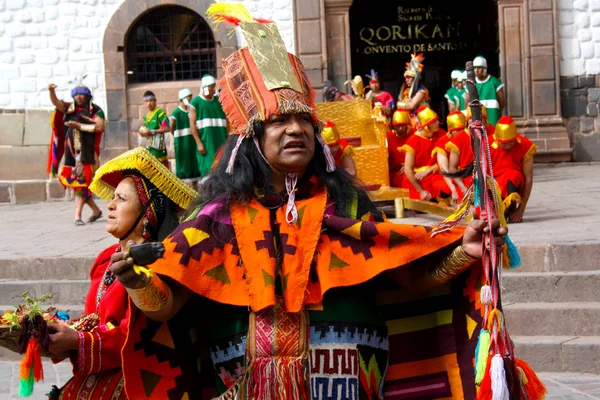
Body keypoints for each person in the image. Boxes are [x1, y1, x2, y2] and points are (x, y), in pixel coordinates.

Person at [110, 5, 512, 399]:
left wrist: (463, 251)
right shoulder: (213, 218)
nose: (295, 130)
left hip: (349, 381)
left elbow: (410, 275)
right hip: (242, 384)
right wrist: (135, 282)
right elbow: (168, 304)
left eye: (304, 121)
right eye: (279, 122)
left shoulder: (346, 206)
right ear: (250, 138)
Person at [46, 147, 198, 400]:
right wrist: (58, 334)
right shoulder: (106, 257)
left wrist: (77, 341)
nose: (111, 205)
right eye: (112, 197)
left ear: (147, 214)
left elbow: (139, 335)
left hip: (141, 380)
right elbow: (93, 319)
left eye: (122, 199)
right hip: (98, 374)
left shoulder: (161, 265)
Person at [48, 82, 104, 226]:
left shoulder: (96, 110)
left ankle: (77, 216)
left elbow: (99, 126)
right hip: (72, 151)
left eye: (81, 94)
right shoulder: (69, 108)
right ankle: (96, 211)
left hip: (87, 152)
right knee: (79, 184)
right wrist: (51, 91)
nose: (78, 97)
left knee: (81, 182)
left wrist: (78, 126)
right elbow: (56, 102)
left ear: (87, 96)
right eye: (76, 95)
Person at [490, 116, 537, 223]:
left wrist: (521, 210)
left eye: (511, 142)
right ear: (497, 139)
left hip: (513, 182)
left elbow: (528, 178)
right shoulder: (487, 144)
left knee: (513, 176)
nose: (508, 146)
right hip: (493, 184)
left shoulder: (525, 145)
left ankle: (512, 208)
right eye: (504, 143)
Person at [400, 106, 451, 201]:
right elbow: (408, 169)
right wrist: (420, 191)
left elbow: (448, 157)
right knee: (423, 196)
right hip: (418, 178)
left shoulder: (441, 134)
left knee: (445, 187)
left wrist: (428, 170)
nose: (438, 123)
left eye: (437, 120)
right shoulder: (413, 141)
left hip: (436, 173)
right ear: (427, 125)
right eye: (434, 122)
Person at [189, 74, 228, 177]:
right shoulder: (195, 103)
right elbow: (192, 125)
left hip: (221, 139)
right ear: (205, 88)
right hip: (206, 142)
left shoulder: (219, 101)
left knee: (222, 167)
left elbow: (226, 121)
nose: (213, 89)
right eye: (211, 87)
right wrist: (198, 143)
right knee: (208, 170)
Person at [170, 88, 201, 187]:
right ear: (184, 99)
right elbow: (171, 127)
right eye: (189, 98)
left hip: (192, 141)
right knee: (183, 165)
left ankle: (195, 188)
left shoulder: (191, 111)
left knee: (194, 163)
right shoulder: (176, 113)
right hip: (182, 142)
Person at [397, 53, 430, 127]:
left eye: (409, 77)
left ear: (415, 78)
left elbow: (411, 106)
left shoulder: (421, 91)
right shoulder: (407, 91)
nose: (406, 80)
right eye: (406, 78)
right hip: (409, 121)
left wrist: (399, 104)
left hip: (419, 122)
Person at [139, 91, 170, 167]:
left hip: (159, 145)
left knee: (161, 169)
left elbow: (167, 128)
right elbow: (143, 128)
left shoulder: (160, 113)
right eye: (146, 101)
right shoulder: (147, 116)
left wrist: (152, 131)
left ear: (155, 101)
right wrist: (142, 133)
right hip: (150, 146)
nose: (149, 103)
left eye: (150, 101)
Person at [471, 56, 505, 126]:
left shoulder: (495, 82)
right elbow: (468, 101)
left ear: (485, 69)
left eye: (479, 67)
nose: (476, 70)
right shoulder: (472, 83)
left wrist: (497, 110)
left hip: (493, 115)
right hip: (478, 116)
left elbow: (502, 101)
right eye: (475, 68)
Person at [387, 108, 412, 188]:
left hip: (413, 169)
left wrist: (409, 165)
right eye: (398, 126)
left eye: (403, 125)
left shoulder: (415, 134)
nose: (400, 128)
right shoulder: (388, 137)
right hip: (396, 173)